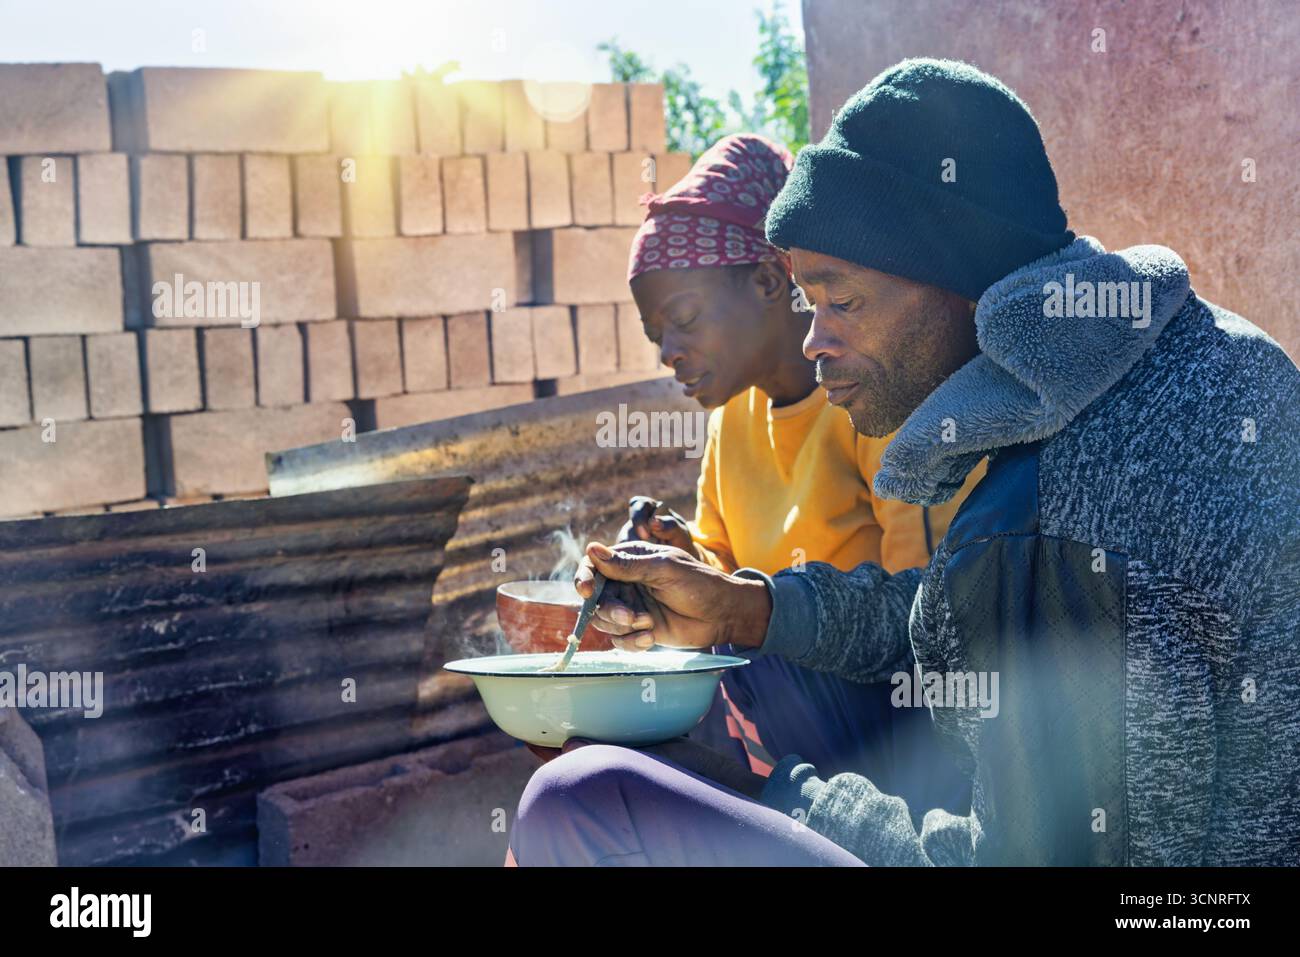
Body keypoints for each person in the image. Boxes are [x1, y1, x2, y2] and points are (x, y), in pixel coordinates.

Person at [509, 58, 1300, 866]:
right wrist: (745, 608)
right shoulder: (1210, 356)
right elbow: (949, 611)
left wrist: (772, 786)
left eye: (839, 299)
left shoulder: (1039, 523)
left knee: (579, 801)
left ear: (954, 279)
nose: (814, 338)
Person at [615, 133, 978, 815]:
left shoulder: (873, 402)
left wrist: (754, 610)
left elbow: (928, 617)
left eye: (683, 318)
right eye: (654, 333)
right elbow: (720, 562)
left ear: (768, 280)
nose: (667, 351)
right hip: (792, 728)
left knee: (747, 645)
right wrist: (672, 556)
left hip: (900, 749)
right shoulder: (733, 421)